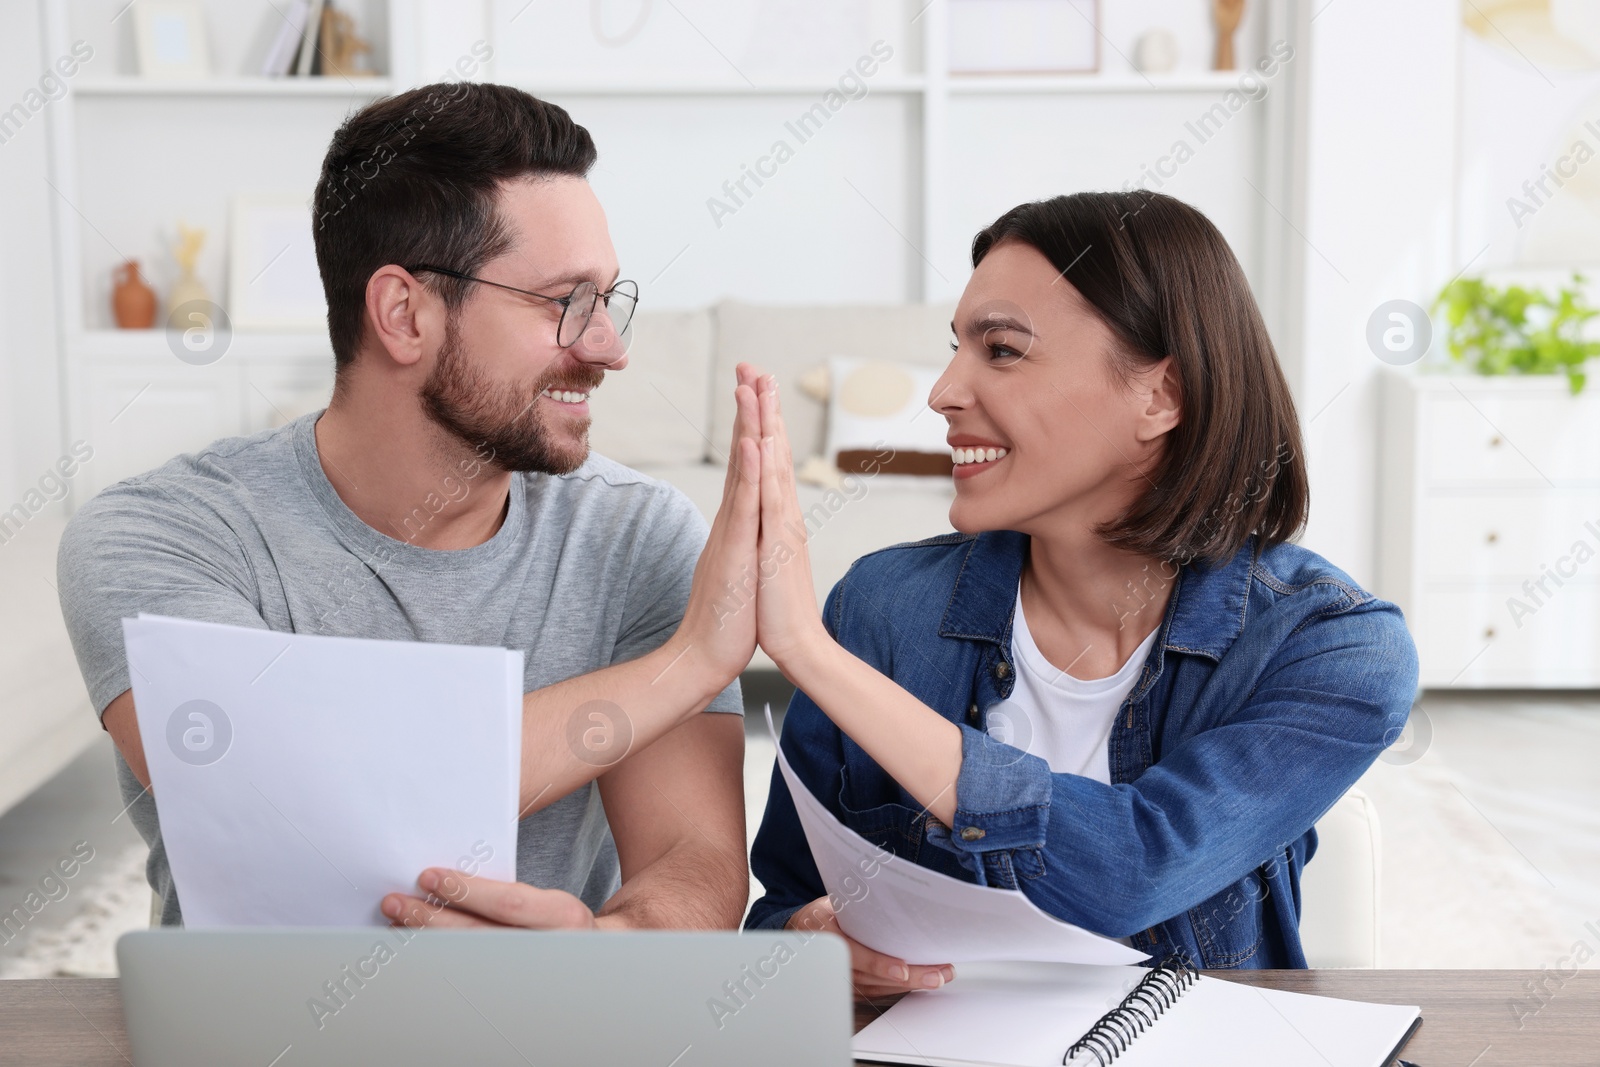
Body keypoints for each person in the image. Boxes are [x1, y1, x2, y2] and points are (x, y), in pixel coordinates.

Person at [56, 83, 765, 931]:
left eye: (608, 300)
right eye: (565, 301)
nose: (609, 347)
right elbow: (291, 798)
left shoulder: (637, 537)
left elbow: (694, 864)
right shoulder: (163, 536)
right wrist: (688, 662)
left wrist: (599, 951)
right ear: (402, 313)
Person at [740, 191, 1419, 993]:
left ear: (1160, 396)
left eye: (999, 349)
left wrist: (809, 657)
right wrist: (812, 940)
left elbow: (1136, 865)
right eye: (956, 348)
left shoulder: (1334, 646)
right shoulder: (881, 608)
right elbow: (782, 902)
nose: (942, 392)